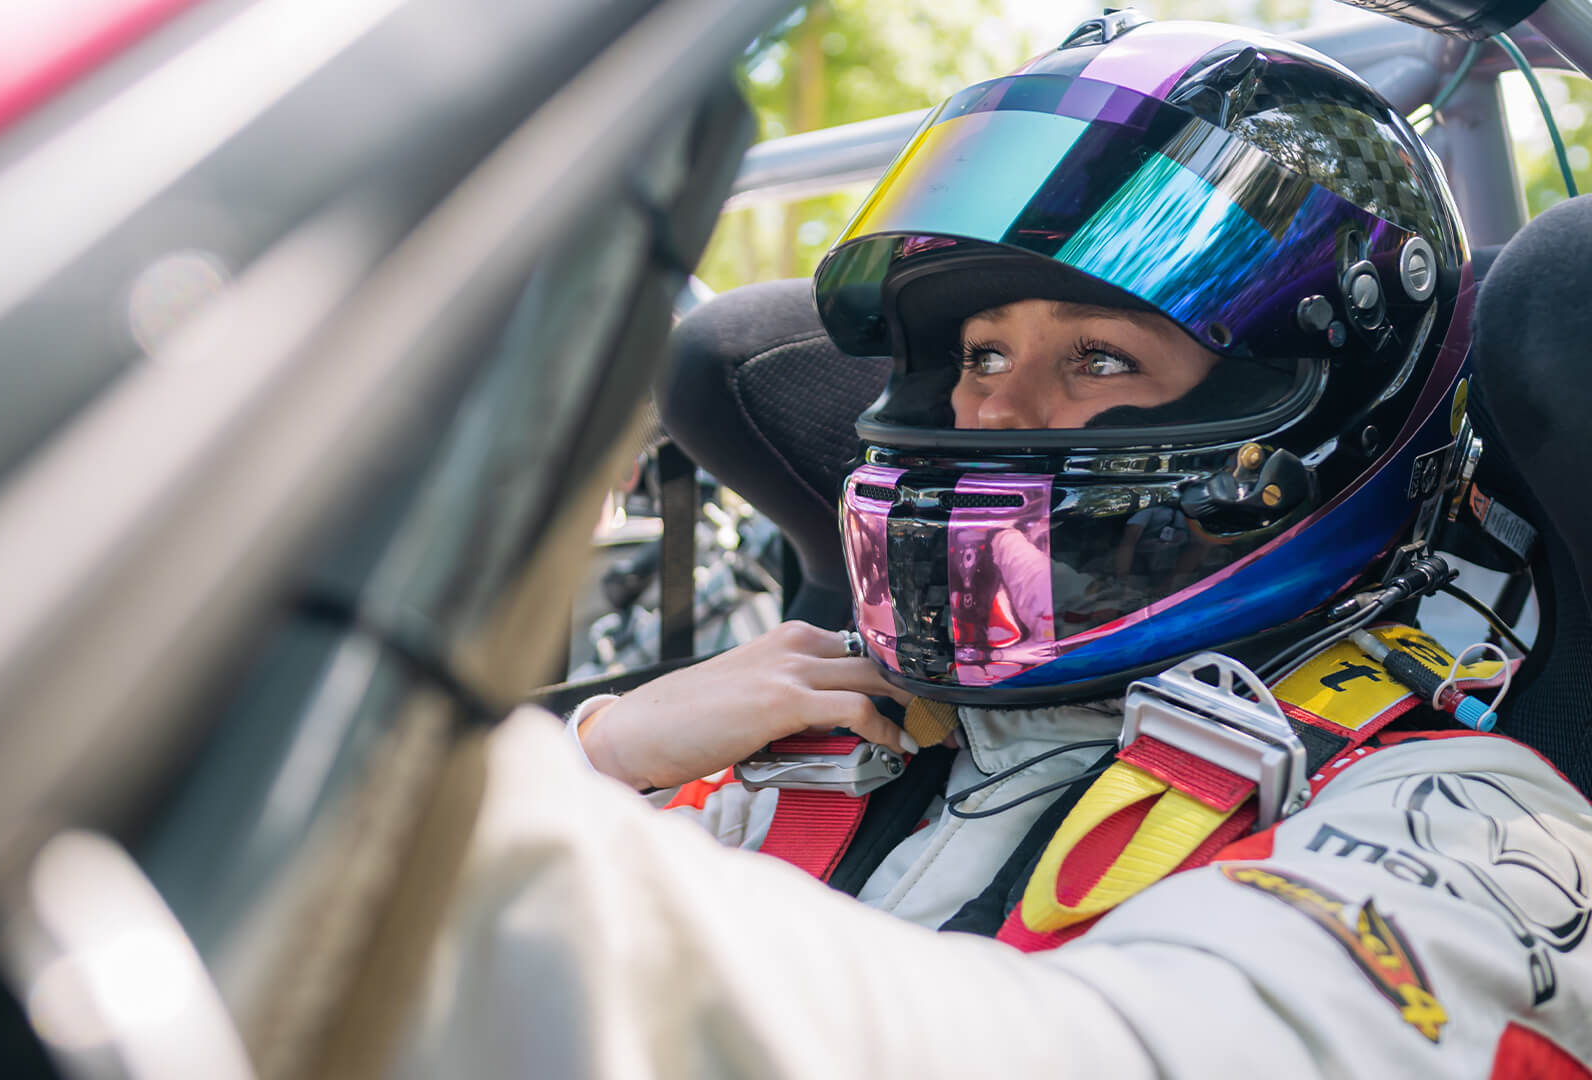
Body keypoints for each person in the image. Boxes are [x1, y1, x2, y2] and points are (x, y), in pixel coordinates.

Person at [394, 14, 1592, 1078]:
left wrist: (483, 811)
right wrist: (601, 747)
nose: (993, 414)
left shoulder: (1461, 824)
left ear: (1313, 407)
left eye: (1099, 359)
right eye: (977, 354)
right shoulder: (806, 729)